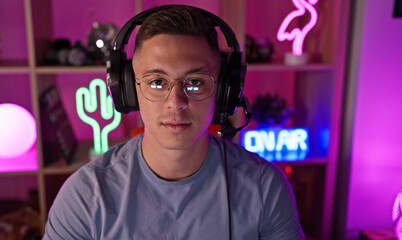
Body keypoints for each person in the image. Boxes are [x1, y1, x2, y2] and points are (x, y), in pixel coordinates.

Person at [43, 5, 304, 239]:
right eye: (157, 82)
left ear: (225, 91)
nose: (176, 102)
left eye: (195, 82)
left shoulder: (265, 188)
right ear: (129, 91)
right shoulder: (84, 196)